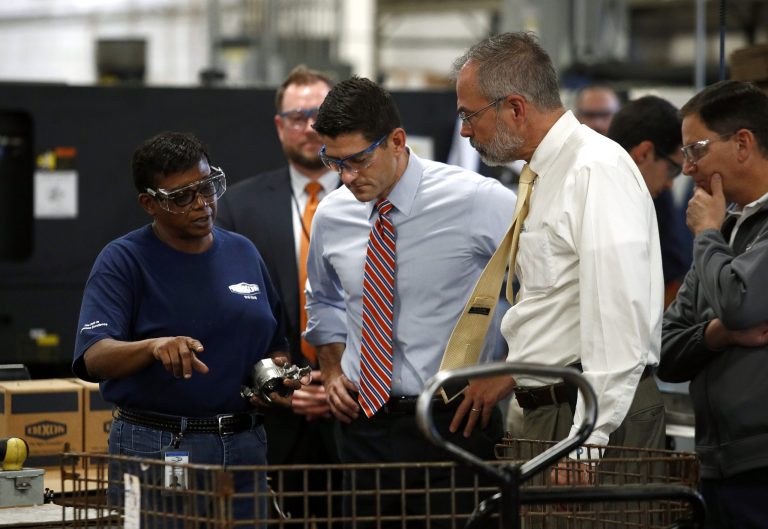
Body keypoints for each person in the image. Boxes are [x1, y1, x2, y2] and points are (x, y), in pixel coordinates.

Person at [304, 76, 516, 526]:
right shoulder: (332, 214)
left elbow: (543, 292)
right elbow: (322, 299)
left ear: (397, 141)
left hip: (455, 422)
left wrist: (509, 373)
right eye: (333, 161)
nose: (347, 177)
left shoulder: (479, 201)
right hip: (364, 425)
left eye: (358, 160)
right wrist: (330, 364)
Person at [451, 32, 665, 475]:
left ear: (515, 107)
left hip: (591, 416)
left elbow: (619, 316)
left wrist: (590, 439)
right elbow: (559, 309)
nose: (465, 130)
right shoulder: (547, 175)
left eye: (470, 115)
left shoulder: (595, 170)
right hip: (556, 411)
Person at [72, 131, 299, 522]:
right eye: (182, 197)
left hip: (245, 445)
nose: (203, 204)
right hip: (161, 446)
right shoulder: (124, 260)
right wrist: (152, 347)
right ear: (149, 203)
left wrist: (275, 376)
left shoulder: (243, 252)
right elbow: (94, 355)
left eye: (208, 187)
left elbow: (275, 340)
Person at [215, 65, 341, 521]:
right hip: (274, 422)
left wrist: (346, 380)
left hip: (362, 413)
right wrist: (277, 383)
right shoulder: (238, 207)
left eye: (320, 113)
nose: (309, 126)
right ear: (278, 125)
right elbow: (225, 311)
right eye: (296, 116)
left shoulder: (375, 197)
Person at [659, 80, 768, 529]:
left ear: (742, 143)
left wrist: (706, 234)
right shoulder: (729, 229)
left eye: (697, 149)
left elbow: (741, 305)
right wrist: (717, 334)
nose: (687, 168)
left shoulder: (716, 232)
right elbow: (665, 349)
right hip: (716, 462)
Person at [607, 95, 691, 307]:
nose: (670, 184)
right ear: (643, 154)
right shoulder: (654, 198)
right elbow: (670, 282)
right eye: (672, 169)